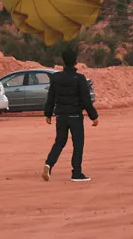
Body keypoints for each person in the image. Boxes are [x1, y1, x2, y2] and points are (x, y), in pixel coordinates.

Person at [42, 48, 99, 182]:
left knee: (59, 143)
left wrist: (48, 113)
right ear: (76, 62)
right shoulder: (79, 78)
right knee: (78, 144)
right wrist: (94, 116)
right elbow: (86, 99)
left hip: (61, 116)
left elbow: (51, 97)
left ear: (63, 62)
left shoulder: (55, 78)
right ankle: (76, 173)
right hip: (75, 116)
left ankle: (48, 164)